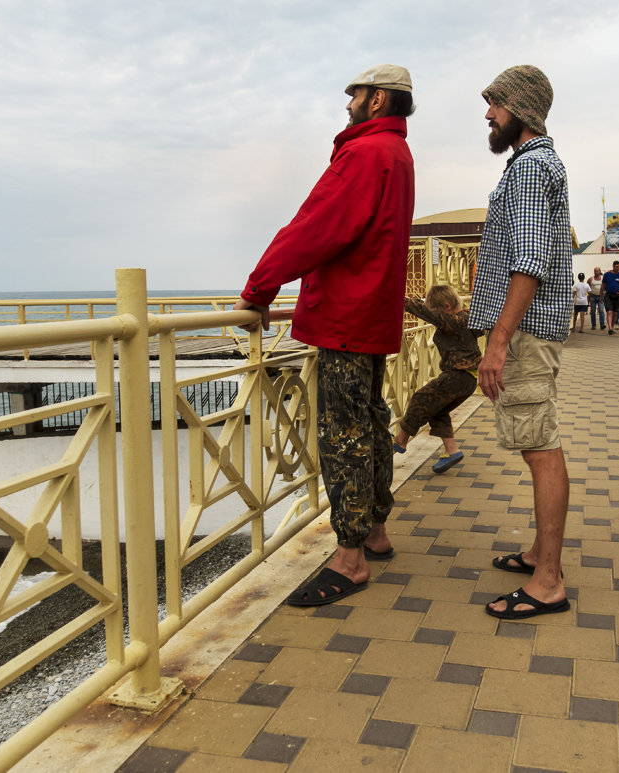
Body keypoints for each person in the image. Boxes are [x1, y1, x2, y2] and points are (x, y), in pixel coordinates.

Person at [234, 64, 416, 606]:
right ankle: (375, 532)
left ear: (377, 98)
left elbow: (316, 226)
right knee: (371, 420)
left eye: (355, 95)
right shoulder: (398, 154)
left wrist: (259, 288)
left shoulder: (365, 154)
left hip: (346, 316)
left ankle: (350, 558)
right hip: (373, 314)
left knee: (343, 434)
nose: (348, 104)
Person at [470, 65, 571, 620]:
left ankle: (549, 581)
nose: (488, 115)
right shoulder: (535, 165)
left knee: (539, 446)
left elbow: (529, 261)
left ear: (522, 109)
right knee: (539, 440)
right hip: (533, 327)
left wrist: (498, 342)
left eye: (496, 105)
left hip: (527, 330)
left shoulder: (530, 170)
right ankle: (540, 554)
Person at [393, 285, 482, 474]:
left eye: (437, 311)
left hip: (458, 376)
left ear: (447, 307)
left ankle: (401, 439)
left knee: (420, 398)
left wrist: (399, 296)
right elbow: (426, 308)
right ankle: (452, 451)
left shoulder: (457, 321)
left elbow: (428, 314)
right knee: (437, 410)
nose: (436, 317)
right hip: (466, 379)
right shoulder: (465, 318)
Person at [601, 260, 619, 334]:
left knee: (615, 314)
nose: (618, 268)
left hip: (618, 296)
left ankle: (612, 326)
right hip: (608, 295)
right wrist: (601, 295)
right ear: (613, 266)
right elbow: (603, 286)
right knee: (609, 312)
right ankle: (610, 328)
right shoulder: (607, 274)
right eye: (616, 267)